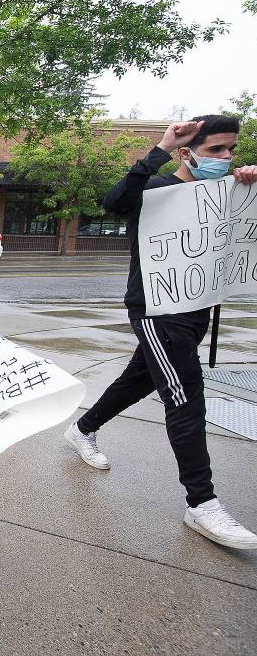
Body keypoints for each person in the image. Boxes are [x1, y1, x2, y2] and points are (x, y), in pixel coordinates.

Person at [63, 115, 257, 550]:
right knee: (185, 394)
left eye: (231, 151)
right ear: (189, 152)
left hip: (196, 307)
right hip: (156, 308)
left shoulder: (228, 192)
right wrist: (161, 147)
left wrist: (251, 185)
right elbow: (115, 201)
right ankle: (202, 503)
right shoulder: (157, 187)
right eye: (216, 151)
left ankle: (83, 429)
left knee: (142, 378)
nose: (226, 158)